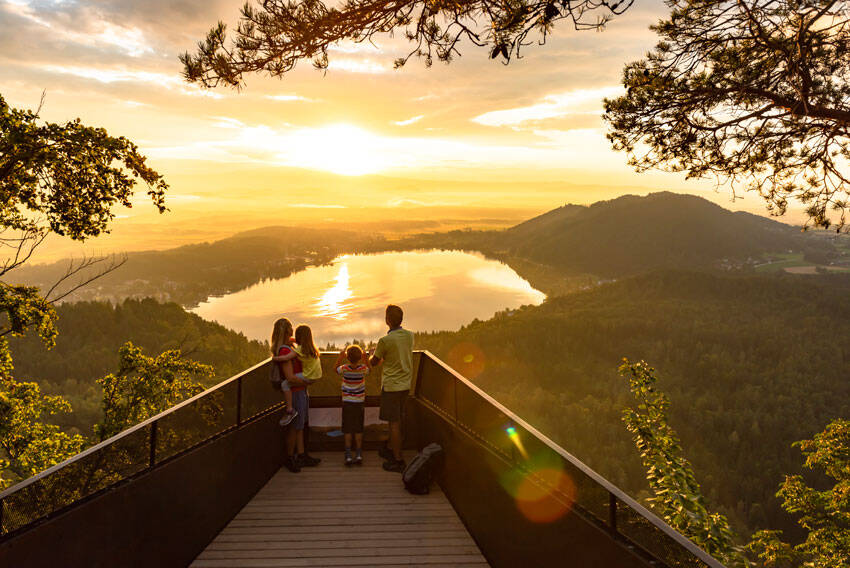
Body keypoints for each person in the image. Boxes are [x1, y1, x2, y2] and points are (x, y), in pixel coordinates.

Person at [271, 319, 322, 473]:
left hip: (301, 391)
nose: (293, 330)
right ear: (287, 330)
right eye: (291, 328)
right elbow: (290, 377)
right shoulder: (285, 351)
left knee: (300, 426)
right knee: (295, 427)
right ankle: (290, 457)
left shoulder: (290, 347)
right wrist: (308, 382)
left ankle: (301, 455)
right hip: (296, 392)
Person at [370, 304, 414, 473]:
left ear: (387, 320)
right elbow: (399, 353)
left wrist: (372, 354)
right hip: (405, 385)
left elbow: (374, 363)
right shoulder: (410, 336)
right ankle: (391, 448)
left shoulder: (385, 341)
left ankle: (398, 460)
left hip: (391, 387)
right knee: (399, 420)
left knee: (393, 423)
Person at [335, 345, 370, 466]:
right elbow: (370, 369)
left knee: (348, 429)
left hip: (347, 402)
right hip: (359, 403)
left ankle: (348, 455)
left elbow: (335, 369)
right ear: (360, 357)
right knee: (358, 428)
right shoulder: (363, 368)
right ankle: (359, 454)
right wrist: (366, 358)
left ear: (347, 357)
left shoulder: (344, 368)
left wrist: (340, 357)